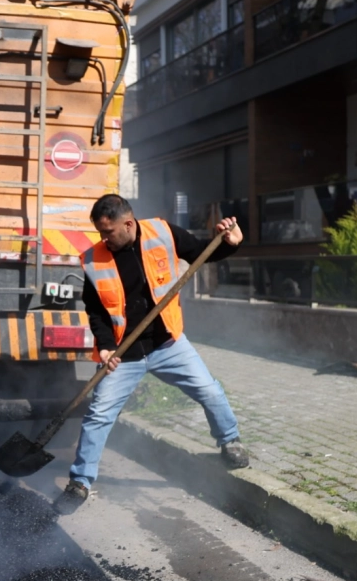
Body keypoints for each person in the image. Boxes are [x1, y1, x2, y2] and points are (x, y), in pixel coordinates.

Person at [58, 194, 247, 515]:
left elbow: (203, 253)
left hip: (168, 344)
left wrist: (230, 243)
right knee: (98, 415)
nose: (104, 239)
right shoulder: (93, 259)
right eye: (100, 233)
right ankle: (80, 483)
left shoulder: (163, 232)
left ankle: (230, 442)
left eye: (109, 232)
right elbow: (96, 310)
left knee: (209, 389)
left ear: (128, 223)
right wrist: (104, 346)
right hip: (124, 354)